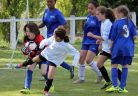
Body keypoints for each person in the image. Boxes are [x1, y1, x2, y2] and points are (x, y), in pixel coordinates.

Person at [17, 27, 80, 96]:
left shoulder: (66, 45)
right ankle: (21, 65)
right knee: (33, 60)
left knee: (50, 76)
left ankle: (45, 91)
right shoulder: (53, 38)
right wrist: (40, 46)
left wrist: (74, 64)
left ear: (59, 37)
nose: (53, 35)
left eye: (54, 34)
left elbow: (77, 53)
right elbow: (46, 41)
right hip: (45, 54)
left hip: (54, 60)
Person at [38, 0, 74, 79]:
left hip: (56, 39)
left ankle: (46, 75)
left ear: (55, 2)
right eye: (48, 1)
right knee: (52, 57)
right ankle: (69, 67)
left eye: (51, 1)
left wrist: (62, 34)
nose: (49, 3)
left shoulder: (57, 13)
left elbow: (65, 25)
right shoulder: (46, 11)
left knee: (49, 56)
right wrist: (36, 27)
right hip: (49, 38)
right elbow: (44, 23)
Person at [89, 6, 122, 89]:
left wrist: (93, 36)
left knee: (113, 66)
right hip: (106, 48)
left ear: (104, 14)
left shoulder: (108, 23)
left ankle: (122, 82)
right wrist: (100, 43)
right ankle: (108, 81)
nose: (96, 16)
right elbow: (103, 37)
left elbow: (105, 37)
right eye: (96, 14)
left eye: (98, 14)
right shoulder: (103, 22)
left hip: (112, 48)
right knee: (99, 64)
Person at [105, 5, 137, 93]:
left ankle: (115, 86)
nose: (115, 14)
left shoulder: (116, 23)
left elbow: (111, 38)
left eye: (116, 13)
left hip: (118, 48)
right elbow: (135, 37)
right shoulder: (130, 22)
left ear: (120, 13)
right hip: (128, 48)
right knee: (125, 66)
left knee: (114, 65)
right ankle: (122, 87)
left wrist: (110, 48)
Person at [73, 0, 102, 84]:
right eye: (88, 8)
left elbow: (102, 31)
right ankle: (81, 78)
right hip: (85, 41)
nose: (89, 10)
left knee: (88, 60)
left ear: (97, 8)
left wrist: (100, 43)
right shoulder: (88, 16)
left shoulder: (99, 18)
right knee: (81, 59)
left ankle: (100, 74)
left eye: (91, 8)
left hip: (94, 41)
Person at [16, 23, 48, 94]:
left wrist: (33, 54)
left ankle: (49, 83)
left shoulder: (40, 38)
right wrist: (25, 51)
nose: (27, 33)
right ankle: (27, 88)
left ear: (34, 31)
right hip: (33, 56)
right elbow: (26, 53)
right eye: (26, 31)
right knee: (29, 68)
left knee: (43, 72)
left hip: (43, 56)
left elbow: (42, 51)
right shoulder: (26, 39)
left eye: (29, 31)